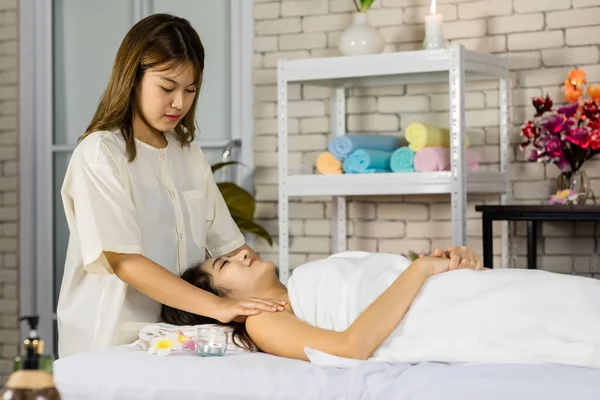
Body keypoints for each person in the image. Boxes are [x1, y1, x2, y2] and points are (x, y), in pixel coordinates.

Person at [56, 14, 285, 359]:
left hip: (174, 340)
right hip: (109, 336)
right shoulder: (100, 153)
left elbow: (233, 248)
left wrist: (284, 300)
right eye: (167, 88)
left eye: (190, 90)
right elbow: (125, 262)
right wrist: (218, 308)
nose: (180, 103)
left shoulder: (188, 155)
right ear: (133, 79)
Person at [161, 247, 600, 368]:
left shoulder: (300, 282)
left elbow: (382, 282)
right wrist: (421, 270)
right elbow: (350, 347)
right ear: (222, 301)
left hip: (458, 294)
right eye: (226, 264)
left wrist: (447, 262)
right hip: (443, 315)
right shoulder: (261, 323)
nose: (243, 254)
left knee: (569, 297)